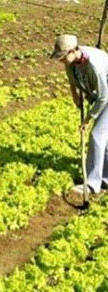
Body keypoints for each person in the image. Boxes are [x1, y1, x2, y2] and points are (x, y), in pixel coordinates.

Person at [51, 34, 108, 194]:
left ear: (73, 51)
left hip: (106, 96)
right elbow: (72, 79)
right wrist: (75, 94)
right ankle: (106, 178)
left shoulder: (93, 65)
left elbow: (103, 97)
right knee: (104, 138)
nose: (61, 61)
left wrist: (88, 119)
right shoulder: (71, 62)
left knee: (97, 135)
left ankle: (91, 184)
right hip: (102, 96)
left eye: (62, 57)